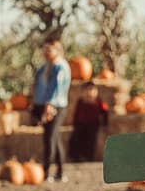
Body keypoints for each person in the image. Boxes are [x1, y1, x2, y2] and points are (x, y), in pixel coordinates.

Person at [29, 39, 71, 181]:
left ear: (57, 51)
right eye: (44, 49)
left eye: (49, 49)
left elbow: (56, 89)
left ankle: (45, 172)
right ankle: (60, 172)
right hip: (42, 105)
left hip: (54, 106)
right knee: (54, 137)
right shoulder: (44, 67)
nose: (45, 52)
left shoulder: (60, 67)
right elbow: (37, 85)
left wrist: (49, 106)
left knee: (49, 138)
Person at [68, 81, 109, 163]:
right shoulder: (81, 101)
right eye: (87, 90)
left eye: (91, 90)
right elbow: (76, 114)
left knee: (91, 140)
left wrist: (104, 124)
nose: (89, 92)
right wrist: (74, 124)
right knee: (75, 138)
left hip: (93, 124)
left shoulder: (99, 102)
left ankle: (89, 157)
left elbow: (105, 113)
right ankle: (75, 157)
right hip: (81, 124)